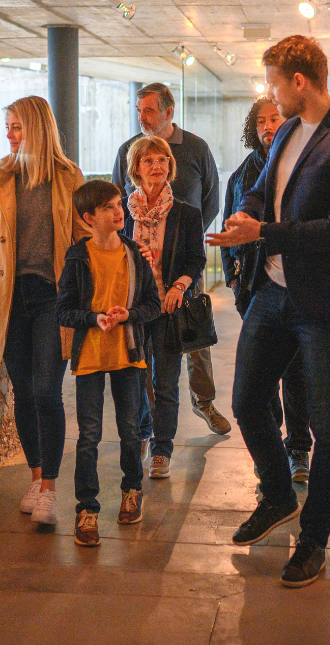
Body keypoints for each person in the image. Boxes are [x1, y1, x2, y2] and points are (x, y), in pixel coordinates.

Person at [208, 35, 330, 587]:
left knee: (327, 425)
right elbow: (262, 190)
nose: (271, 94)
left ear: (299, 82)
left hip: (324, 303)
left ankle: (313, 539)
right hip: (273, 292)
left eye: (274, 84)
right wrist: (246, 216)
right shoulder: (285, 130)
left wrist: (264, 232)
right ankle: (279, 495)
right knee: (246, 400)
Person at [0, 95, 90, 527]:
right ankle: (36, 478)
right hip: (9, 299)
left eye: (17, 126)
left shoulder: (68, 176)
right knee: (23, 393)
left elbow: (83, 241)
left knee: (46, 392)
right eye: (7, 126)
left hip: (52, 298)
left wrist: (86, 297)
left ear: (37, 128)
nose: (9, 134)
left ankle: (51, 489)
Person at [113, 83, 231, 436]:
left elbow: (211, 199)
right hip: (142, 274)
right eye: (139, 111)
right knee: (147, 348)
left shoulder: (196, 148)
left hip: (185, 266)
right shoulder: (128, 150)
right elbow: (118, 202)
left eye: (149, 110)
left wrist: (187, 237)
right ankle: (151, 420)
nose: (143, 118)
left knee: (195, 336)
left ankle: (204, 402)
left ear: (169, 111)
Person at [55, 179, 162, 547]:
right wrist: (94, 318)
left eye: (119, 204)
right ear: (89, 218)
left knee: (130, 430)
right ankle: (87, 509)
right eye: (109, 207)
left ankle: (132, 491)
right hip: (89, 357)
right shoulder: (77, 256)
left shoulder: (134, 253)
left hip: (128, 356)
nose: (119, 211)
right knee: (89, 436)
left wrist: (128, 315)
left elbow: (153, 305)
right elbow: (63, 310)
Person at [222, 97, 312, 483]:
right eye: (261, 121)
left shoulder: (302, 165)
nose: (268, 126)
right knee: (260, 376)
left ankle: (298, 448)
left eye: (274, 118)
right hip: (253, 286)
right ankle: (272, 447)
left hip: (294, 286)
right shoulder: (242, 175)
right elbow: (228, 224)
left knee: (296, 372)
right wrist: (232, 277)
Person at [121, 135, 207, 479]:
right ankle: (144, 432)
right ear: (136, 168)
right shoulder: (121, 212)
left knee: (166, 383)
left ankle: (162, 449)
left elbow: (196, 259)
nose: (157, 166)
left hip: (168, 309)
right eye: (149, 160)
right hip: (132, 310)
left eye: (162, 160)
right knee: (134, 379)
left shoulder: (186, 213)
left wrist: (179, 285)